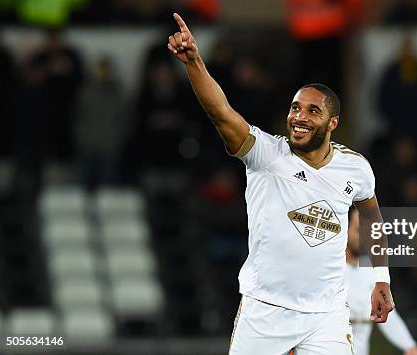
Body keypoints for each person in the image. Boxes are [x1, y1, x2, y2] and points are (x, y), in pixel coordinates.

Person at [167, 13, 394, 354]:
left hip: (326, 314)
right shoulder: (266, 155)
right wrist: (194, 62)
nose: (299, 116)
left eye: (312, 111)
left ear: (332, 123)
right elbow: (221, 112)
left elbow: (372, 216)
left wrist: (382, 279)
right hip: (265, 310)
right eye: (295, 108)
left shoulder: (356, 168)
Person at [346, 208, 417, 355]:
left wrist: (409, 346)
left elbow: (387, 313)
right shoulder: (330, 267)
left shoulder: (372, 269)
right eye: (357, 230)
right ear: (345, 228)